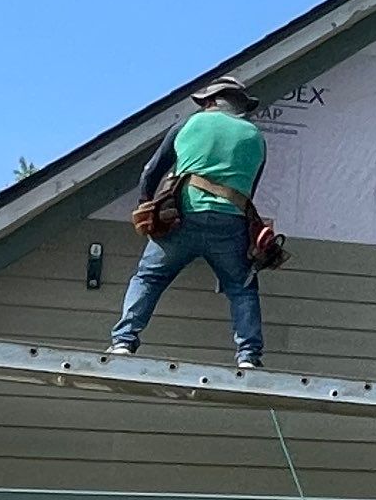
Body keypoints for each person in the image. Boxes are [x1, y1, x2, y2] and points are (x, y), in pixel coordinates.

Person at [110, 77, 269, 369]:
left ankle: (123, 341)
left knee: (149, 278)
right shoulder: (255, 137)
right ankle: (248, 356)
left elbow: (150, 172)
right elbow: (250, 191)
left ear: (210, 101)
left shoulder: (189, 124)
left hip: (182, 217)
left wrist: (146, 207)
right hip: (231, 223)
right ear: (238, 105)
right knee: (242, 288)